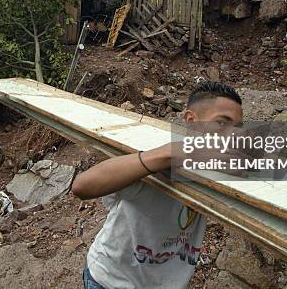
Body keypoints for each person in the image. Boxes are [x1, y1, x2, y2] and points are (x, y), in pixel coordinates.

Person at [72, 81, 244, 289]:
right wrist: (169, 154)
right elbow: (82, 186)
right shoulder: (157, 159)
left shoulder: (218, 164)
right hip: (111, 280)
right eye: (222, 123)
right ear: (191, 120)